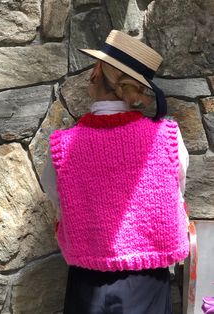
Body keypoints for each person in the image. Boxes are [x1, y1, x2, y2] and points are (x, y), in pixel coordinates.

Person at [41, 30, 190, 314]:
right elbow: (176, 194)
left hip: (88, 280)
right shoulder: (168, 137)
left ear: (97, 71)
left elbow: (59, 202)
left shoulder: (63, 145)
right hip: (149, 279)